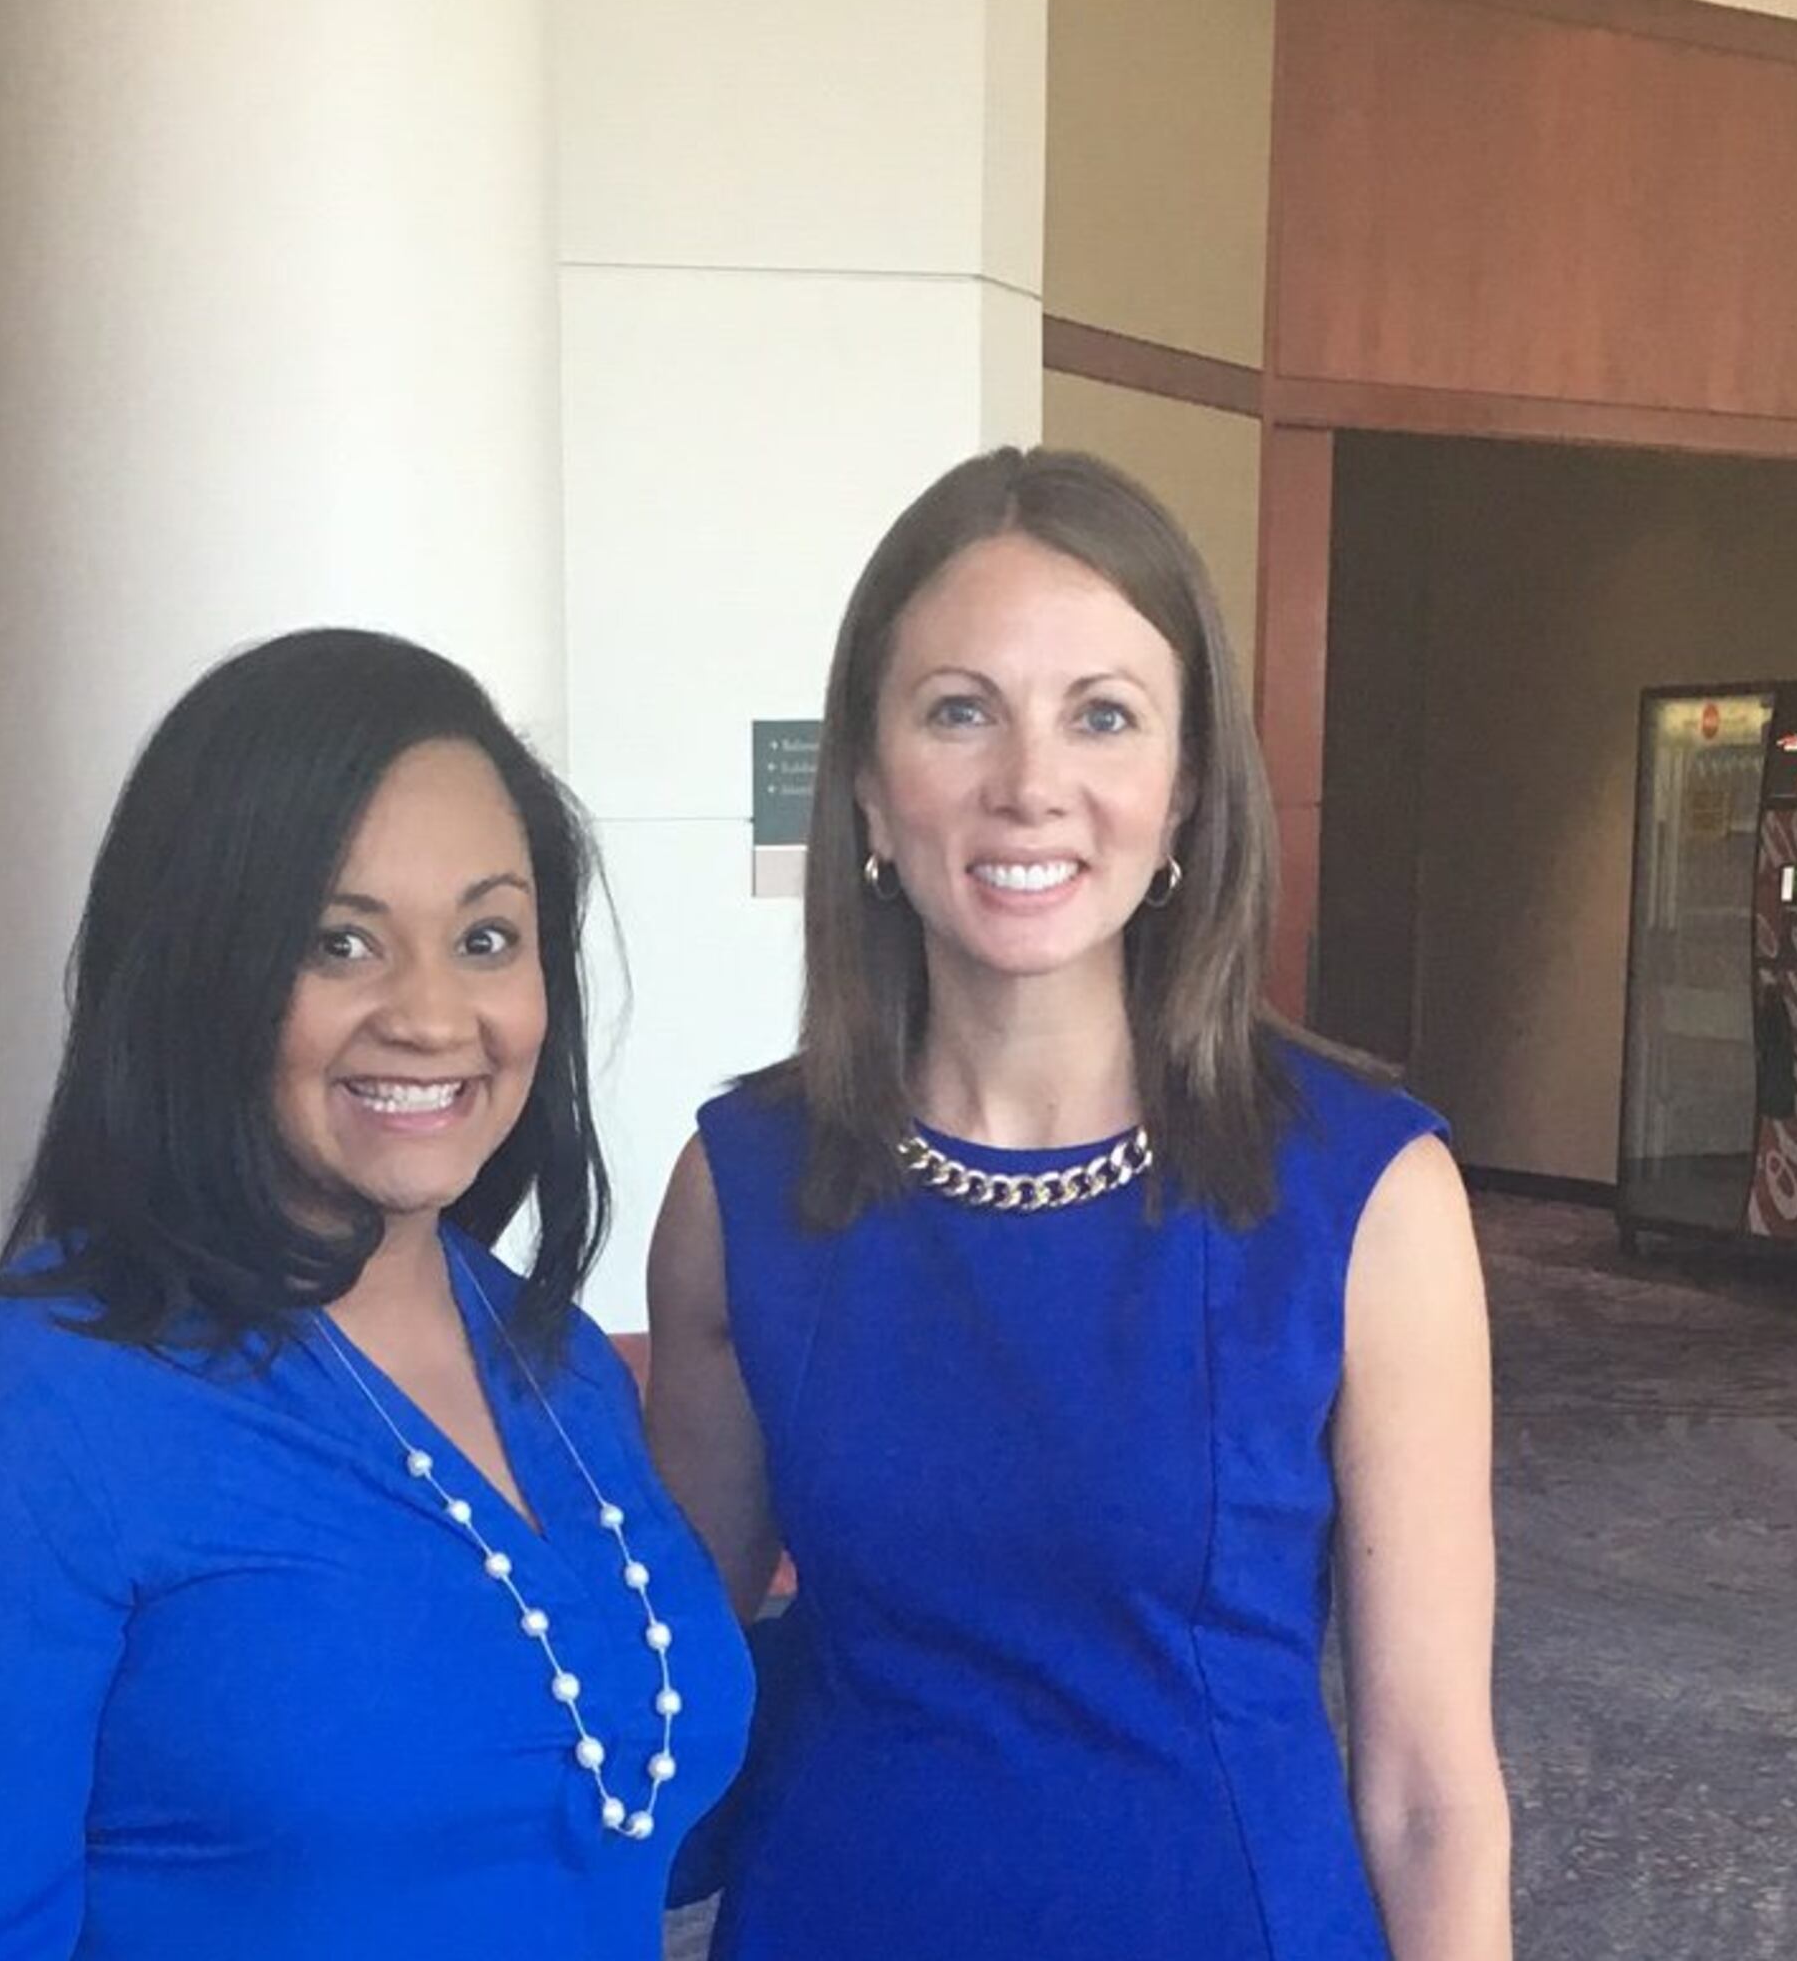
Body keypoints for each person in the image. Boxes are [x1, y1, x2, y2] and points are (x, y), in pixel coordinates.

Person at [646, 450, 1512, 1960]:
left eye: (1101, 715)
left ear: (1183, 794)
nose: (1029, 783)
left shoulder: (1365, 1196)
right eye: (959, 710)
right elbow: (670, 1708)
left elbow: (1430, 1787)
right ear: (865, 780)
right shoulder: (744, 1187)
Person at [0, 628, 751, 1960]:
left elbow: (626, 1812)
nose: (431, 1014)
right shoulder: (14, 1415)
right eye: (338, 942)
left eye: (486, 936)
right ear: (199, 970)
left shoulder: (557, 1364)